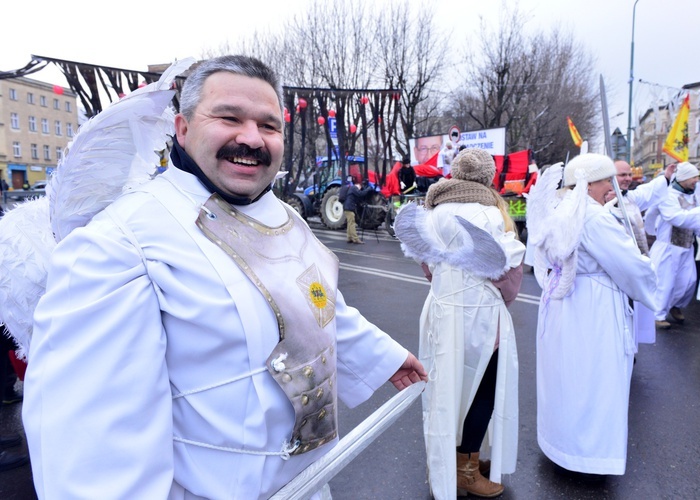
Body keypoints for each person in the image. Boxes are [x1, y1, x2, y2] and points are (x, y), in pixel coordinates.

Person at [22, 55, 427, 498]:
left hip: (309, 486)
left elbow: (313, 305)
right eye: (229, 118)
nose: (251, 138)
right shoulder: (121, 244)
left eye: (269, 126)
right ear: (182, 127)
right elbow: (94, 447)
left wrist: (383, 356)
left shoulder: (285, 217)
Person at [394, 148, 525, 498]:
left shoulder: (432, 212)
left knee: (444, 388)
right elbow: (509, 275)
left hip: (441, 308)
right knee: (482, 387)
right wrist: (498, 301)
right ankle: (466, 466)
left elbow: (427, 265)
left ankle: (449, 461)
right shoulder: (492, 214)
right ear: (487, 177)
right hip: (481, 312)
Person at [530, 153, 657, 478]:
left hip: (561, 307)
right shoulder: (593, 216)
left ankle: (561, 444)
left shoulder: (560, 209)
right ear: (590, 183)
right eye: (606, 181)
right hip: (593, 310)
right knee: (594, 381)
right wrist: (649, 270)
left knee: (565, 378)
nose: (612, 188)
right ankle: (587, 456)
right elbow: (629, 265)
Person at [604, 160, 675, 345]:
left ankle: (629, 347)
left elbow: (650, 190)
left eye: (629, 174)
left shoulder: (631, 197)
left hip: (635, 267)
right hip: (614, 270)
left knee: (632, 312)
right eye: (622, 175)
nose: (627, 179)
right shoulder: (600, 202)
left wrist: (666, 176)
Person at [645, 162, 700, 329]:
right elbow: (677, 218)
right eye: (693, 177)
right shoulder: (666, 195)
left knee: (688, 282)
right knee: (665, 283)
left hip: (686, 246)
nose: (696, 180)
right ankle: (658, 315)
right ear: (683, 178)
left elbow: (693, 219)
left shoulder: (691, 195)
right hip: (668, 247)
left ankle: (674, 305)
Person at [341, 176, 371, 244]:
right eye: (360, 187)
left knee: (349, 223)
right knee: (352, 223)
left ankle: (349, 238)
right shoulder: (354, 188)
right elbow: (361, 194)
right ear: (358, 185)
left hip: (347, 207)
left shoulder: (351, 189)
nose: (360, 189)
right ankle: (355, 239)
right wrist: (368, 189)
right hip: (349, 208)